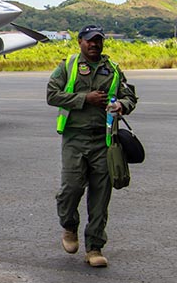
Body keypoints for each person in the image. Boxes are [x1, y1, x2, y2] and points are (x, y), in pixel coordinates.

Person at [46, 24, 137, 267]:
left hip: (104, 140)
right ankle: (69, 225)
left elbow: (130, 96)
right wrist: (84, 98)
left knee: (100, 196)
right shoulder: (67, 67)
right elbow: (51, 95)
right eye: (90, 40)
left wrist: (122, 106)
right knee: (71, 188)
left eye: (98, 40)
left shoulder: (113, 69)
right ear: (80, 42)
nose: (94, 44)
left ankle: (94, 247)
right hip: (75, 138)